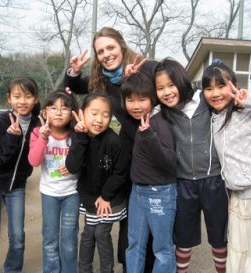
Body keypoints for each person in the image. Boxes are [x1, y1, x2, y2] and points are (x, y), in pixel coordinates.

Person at [64, 26, 157, 272]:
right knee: (129, 223)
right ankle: (129, 265)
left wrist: (136, 77)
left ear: (122, 46)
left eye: (111, 47)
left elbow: (166, 84)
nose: (106, 54)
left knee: (151, 222)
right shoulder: (102, 81)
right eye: (100, 51)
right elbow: (75, 86)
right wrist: (73, 71)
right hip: (127, 155)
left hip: (152, 152)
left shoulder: (142, 71)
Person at [155, 58, 228, 273]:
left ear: (181, 80)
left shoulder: (205, 100)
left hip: (214, 180)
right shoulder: (162, 112)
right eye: (160, 88)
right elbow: (132, 106)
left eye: (171, 85)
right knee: (183, 239)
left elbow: (231, 97)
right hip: (183, 183)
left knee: (219, 238)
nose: (167, 92)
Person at [0, 77, 40, 273]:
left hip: (17, 186)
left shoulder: (38, 124)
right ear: (9, 99)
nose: (22, 101)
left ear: (36, 99)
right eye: (17, 96)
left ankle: (12, 269)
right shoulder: (2, 121)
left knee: (17, 236)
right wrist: (11, 137)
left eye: (28, 96)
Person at [65, 92, 129, 273]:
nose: (99, 120)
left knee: (100, 233)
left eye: (105, 115)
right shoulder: (79, 137)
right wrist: (80, 138)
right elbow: (72, 166)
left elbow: (120, 173)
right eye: (94, 113)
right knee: (88, 234)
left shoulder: (114, 141)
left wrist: (106, 196)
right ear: (82, 113)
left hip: (110, 197)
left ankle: (107, 270)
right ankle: (84, 269)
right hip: (90, 196)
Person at [120, 72, 177, 273]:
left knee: (162, 248)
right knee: (134, 244)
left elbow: (170, 163)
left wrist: (149, 137)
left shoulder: (159, 123)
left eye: (142, 100)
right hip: (138, 191)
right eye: (130, 100)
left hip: (160, 193)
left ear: (152, 99)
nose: (136, 106)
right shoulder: (140, 120)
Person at [202, 60, 251, 273]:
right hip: (237, 198)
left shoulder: (245, 114)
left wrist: (247, 102)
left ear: (234, 86)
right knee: (238, 254)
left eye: (221, 86)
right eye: (209, 88)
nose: (215, 93)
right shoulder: (213, 117)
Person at [28, 89, 80, 273]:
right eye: (53, 107)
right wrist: (43, 138)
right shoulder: (37, 133)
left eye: (65, 108)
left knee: (69, 239)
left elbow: (85, 161)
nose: (58, 112)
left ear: (72, 112)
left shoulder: (76, 135)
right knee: (49, 238)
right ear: (44, 112)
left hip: (72, 194)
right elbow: (34, 161)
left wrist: (75, 166)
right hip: (49, 194)